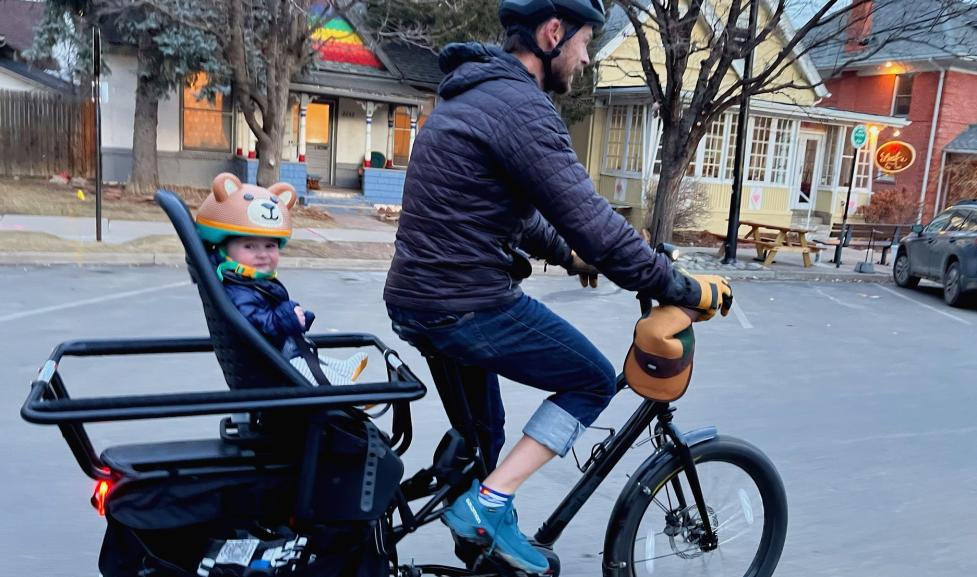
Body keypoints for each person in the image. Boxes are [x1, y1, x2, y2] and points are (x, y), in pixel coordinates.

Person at [383, 0, 732, 573]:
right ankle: (487, 508)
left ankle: (485, 538)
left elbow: (513, 214)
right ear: (552, 33)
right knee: (592, 379)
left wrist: (568, 256)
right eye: (584, 42)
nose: (586, 57)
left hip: (418, 300)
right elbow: (595, 224)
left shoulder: (468, 98)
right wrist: (684, 288)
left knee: (485, 440)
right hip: (467, 303)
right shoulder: (520, 106)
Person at [195, 172, 368, 385]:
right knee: (302, 366)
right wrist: (285, 319)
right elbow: (253, 323)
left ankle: (341, 371)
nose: (262, 253)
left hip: (273, 354)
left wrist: (298, 318)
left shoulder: (247, 282)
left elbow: (267, 316)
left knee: (308, 356)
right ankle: (349, 394)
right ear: (224, 248)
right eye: (249, 246)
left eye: (270, 246)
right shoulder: (236, 289)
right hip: (266, 365)